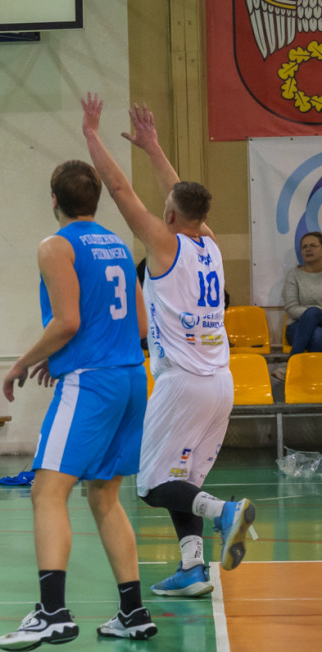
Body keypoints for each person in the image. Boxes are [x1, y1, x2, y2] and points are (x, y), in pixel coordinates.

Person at [83, 94, 255, 598]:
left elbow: (117, 188)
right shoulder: (211, 245)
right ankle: (193, 568)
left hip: (182, 385)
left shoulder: (166, 245)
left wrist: (93, 136)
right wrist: (154, 147)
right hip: (220, 383)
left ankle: (226, 513)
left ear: (171, 217)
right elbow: (183, 198)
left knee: (153, 486)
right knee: (182, 478)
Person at [0, 159, 156, 652]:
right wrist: (68, 355)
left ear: (53, 198)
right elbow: (143, 327)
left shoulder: (55, 246)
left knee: (47, 491)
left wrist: (21, 363)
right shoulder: (116, 245)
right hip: (132, 378)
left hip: (93, 384)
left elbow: (65, 322)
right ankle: (133, 611)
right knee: (103, 496)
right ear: (95, 199)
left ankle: (52, 613)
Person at [279, 231, 322, 376]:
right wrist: (314, 313)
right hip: (296, 326)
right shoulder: (294, 275)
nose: (308, 249)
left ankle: (292, 369)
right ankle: (314, 378)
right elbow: (291, 308)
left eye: (313, 246)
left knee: (316, 321)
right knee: (317, 334)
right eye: (304, 247)